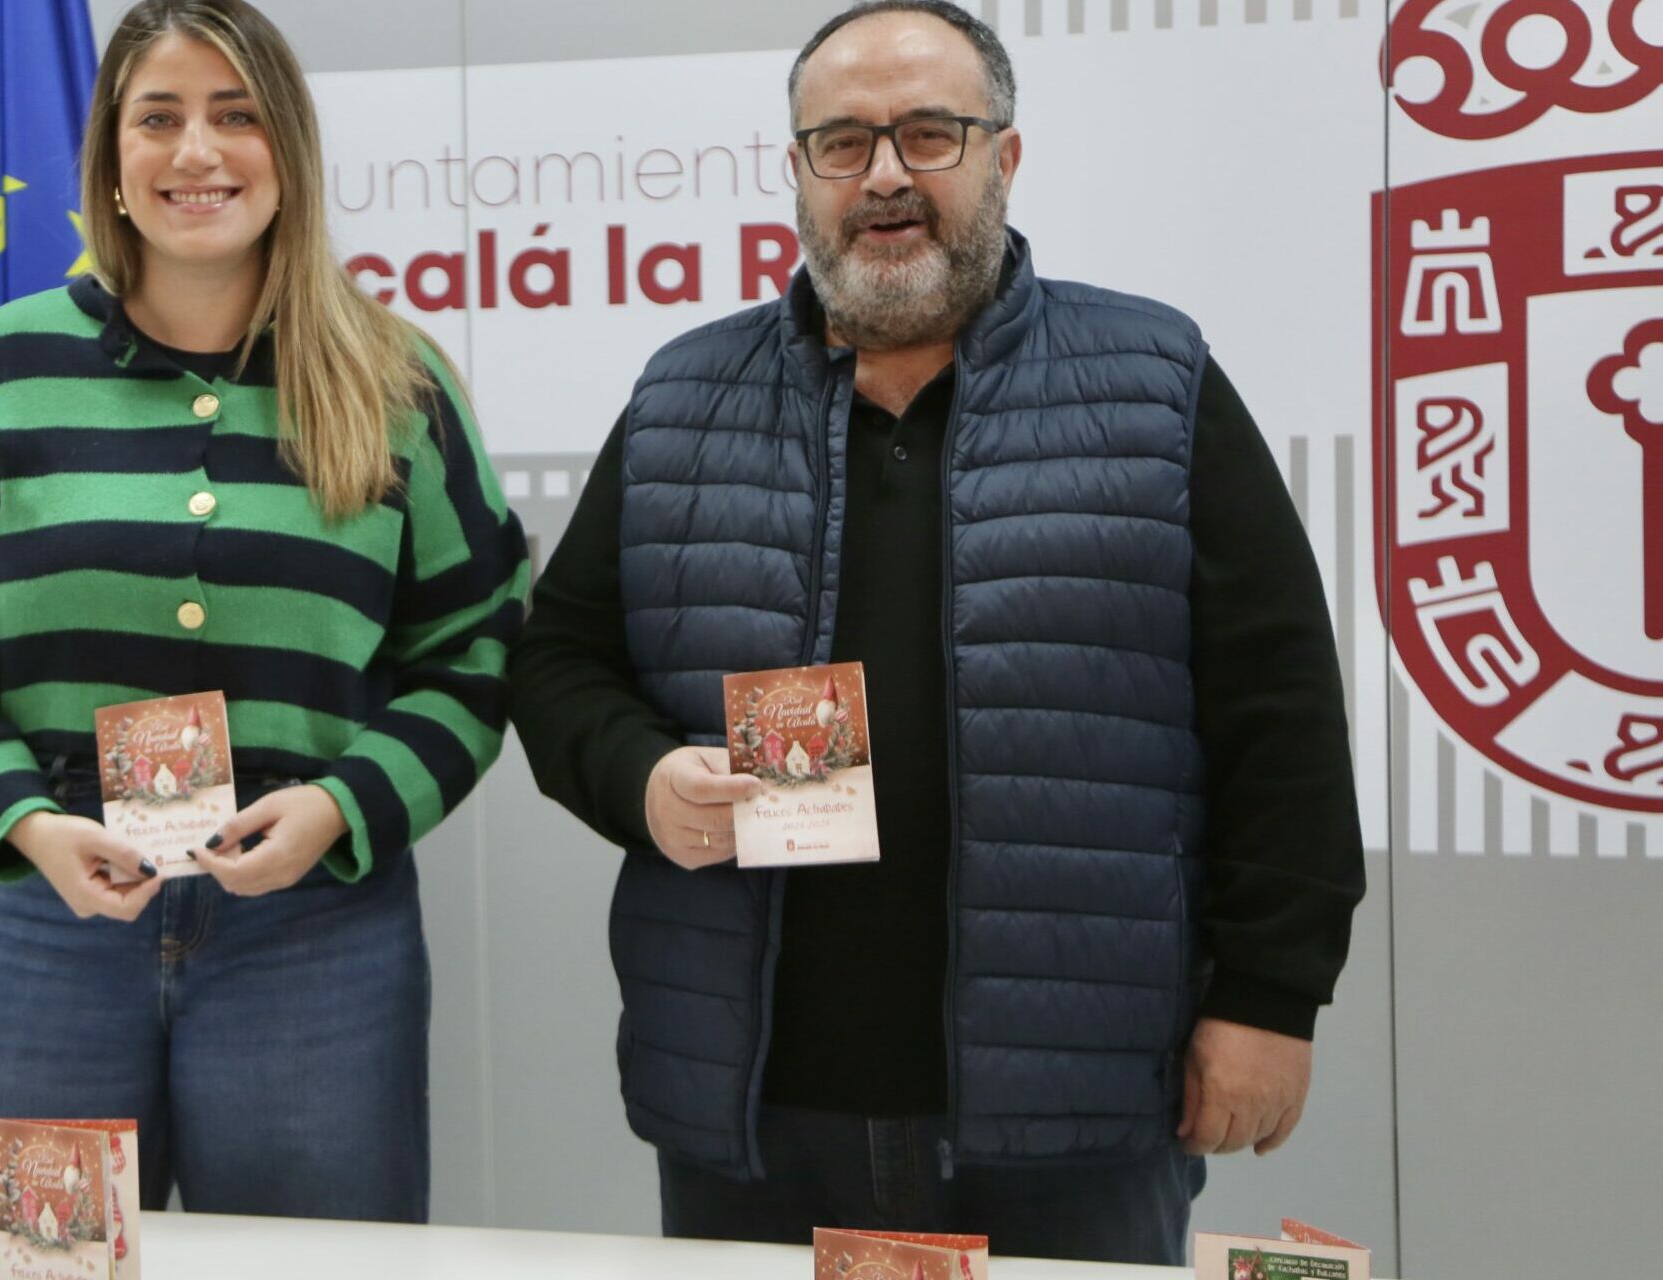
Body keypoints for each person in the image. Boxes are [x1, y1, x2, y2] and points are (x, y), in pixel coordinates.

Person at [508, 0, 1365, 1263]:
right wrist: (641, 778)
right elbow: (558, 658)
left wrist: (1267, 997)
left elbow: (1278, 708)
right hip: (755, 1109)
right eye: (842, 143)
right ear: (796, 172)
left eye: (929, 133)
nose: (887, 175)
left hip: (1075, 1113)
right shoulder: (683, 394)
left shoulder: (1155, 379)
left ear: (1003, 159)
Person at [0, 0, 527, 1223]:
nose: (196, 153)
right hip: (54, 917)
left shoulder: (396, 382)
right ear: (111, 161)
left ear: (289, 147)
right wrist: (20, 822)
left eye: (234, 116)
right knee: (21, 1258)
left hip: (315, 938)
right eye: (156, 118)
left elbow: (476, 650)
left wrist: (344, 803)